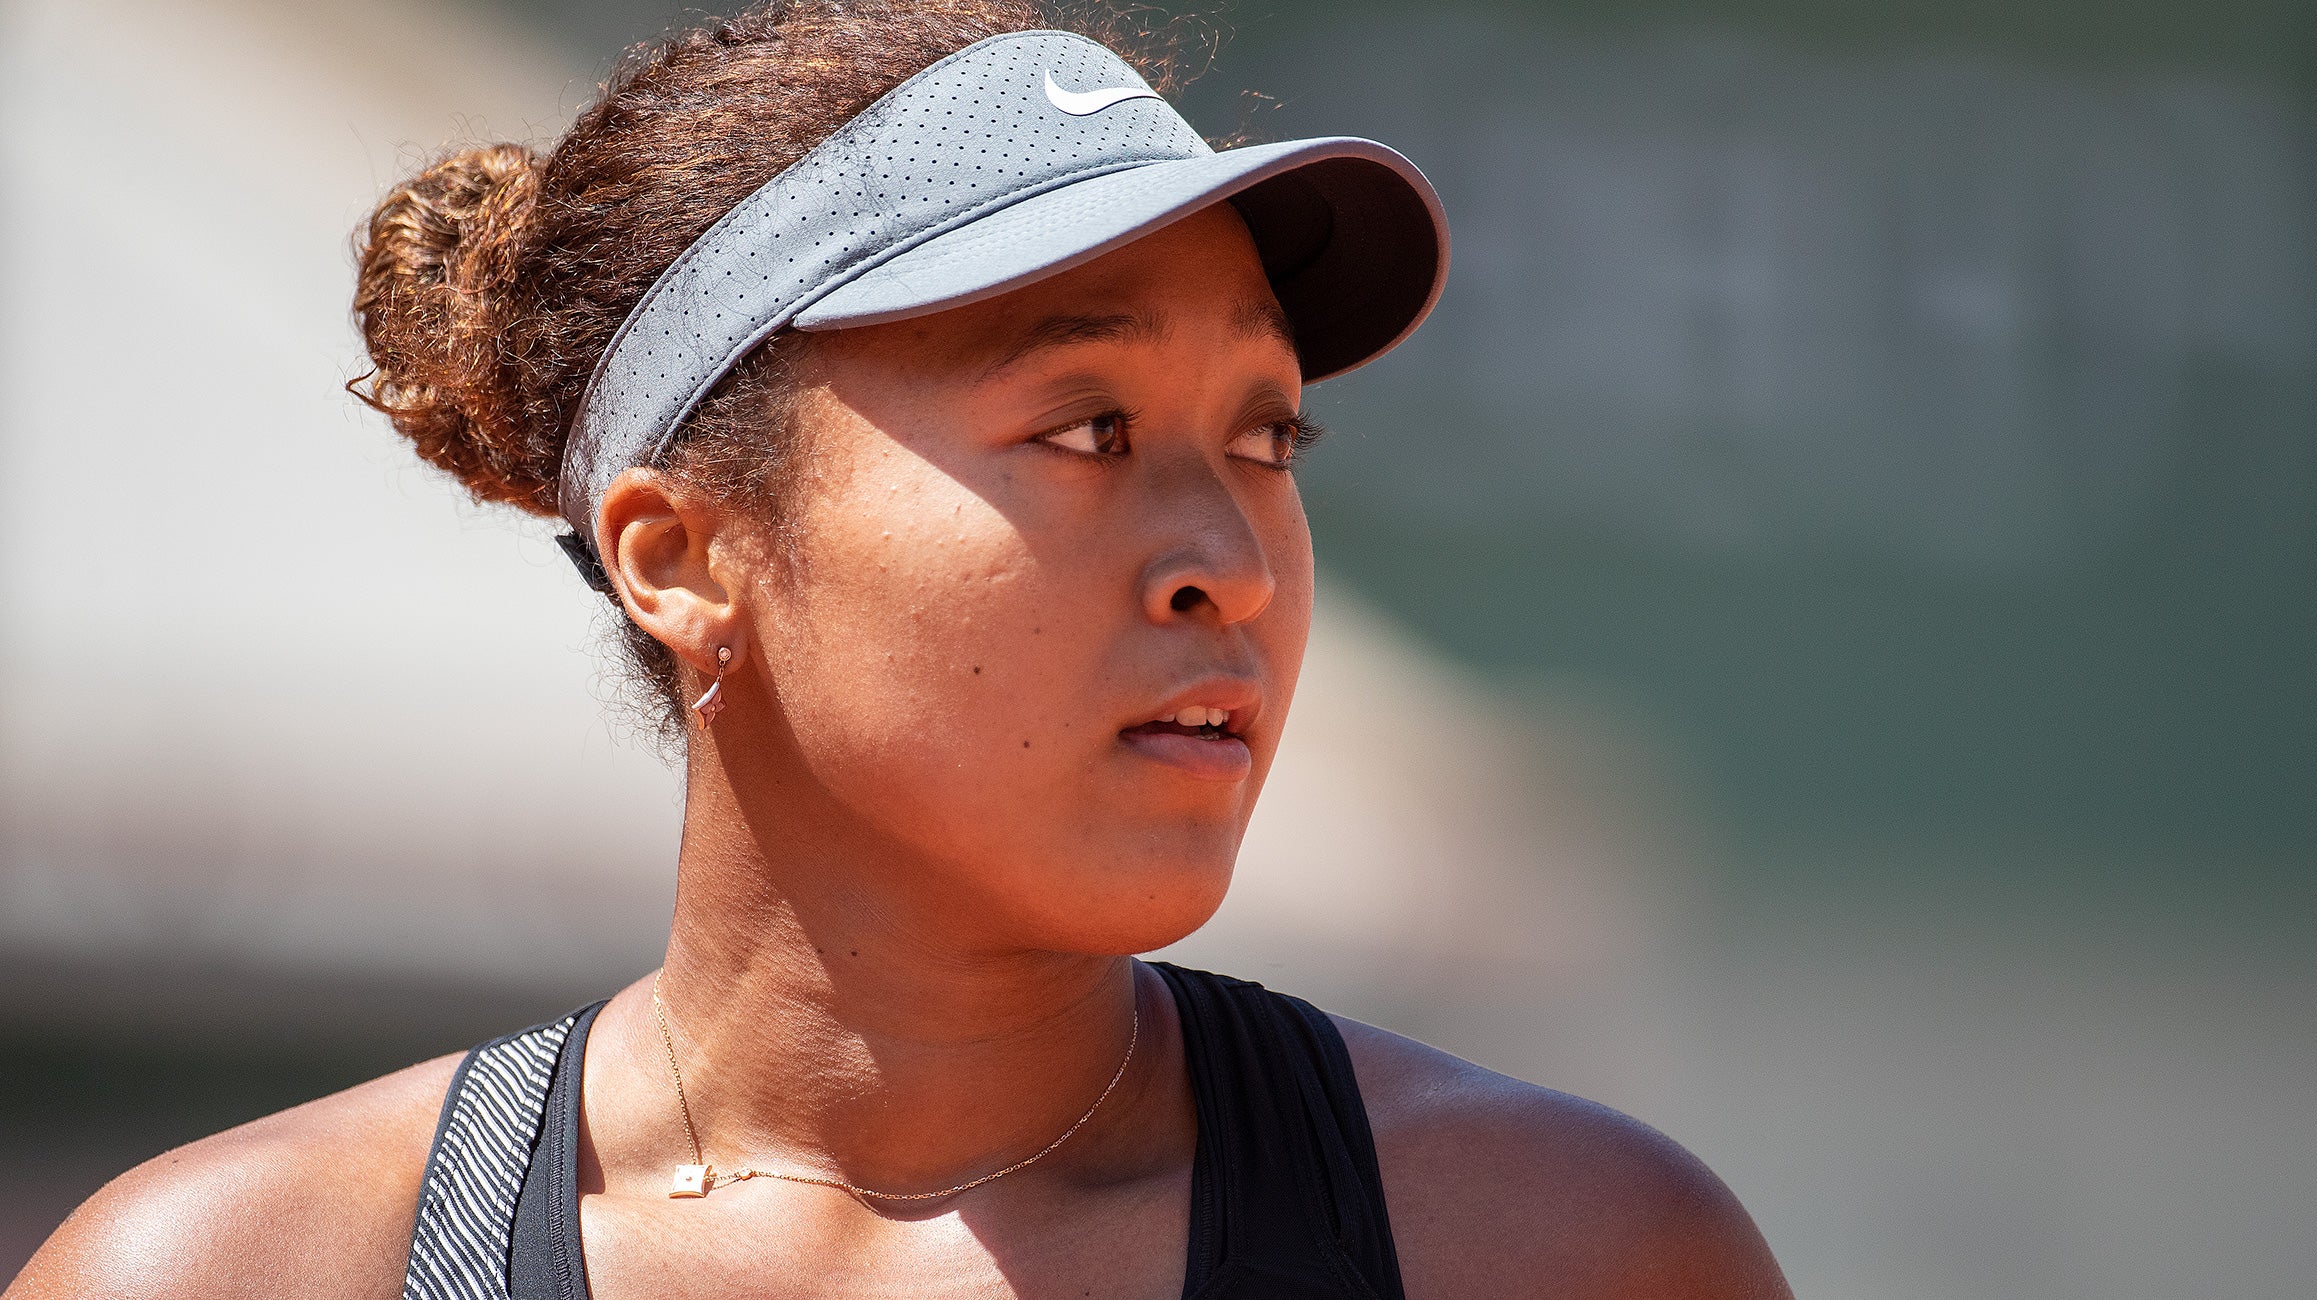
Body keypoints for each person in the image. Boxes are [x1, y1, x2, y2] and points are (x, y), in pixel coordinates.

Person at [6, 3, 1790, 1297]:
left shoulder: (1555, 1250)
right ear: (682, 553)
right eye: (1087, 427)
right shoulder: (244, 1273)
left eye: (1265, 436)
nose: (1227, 564)